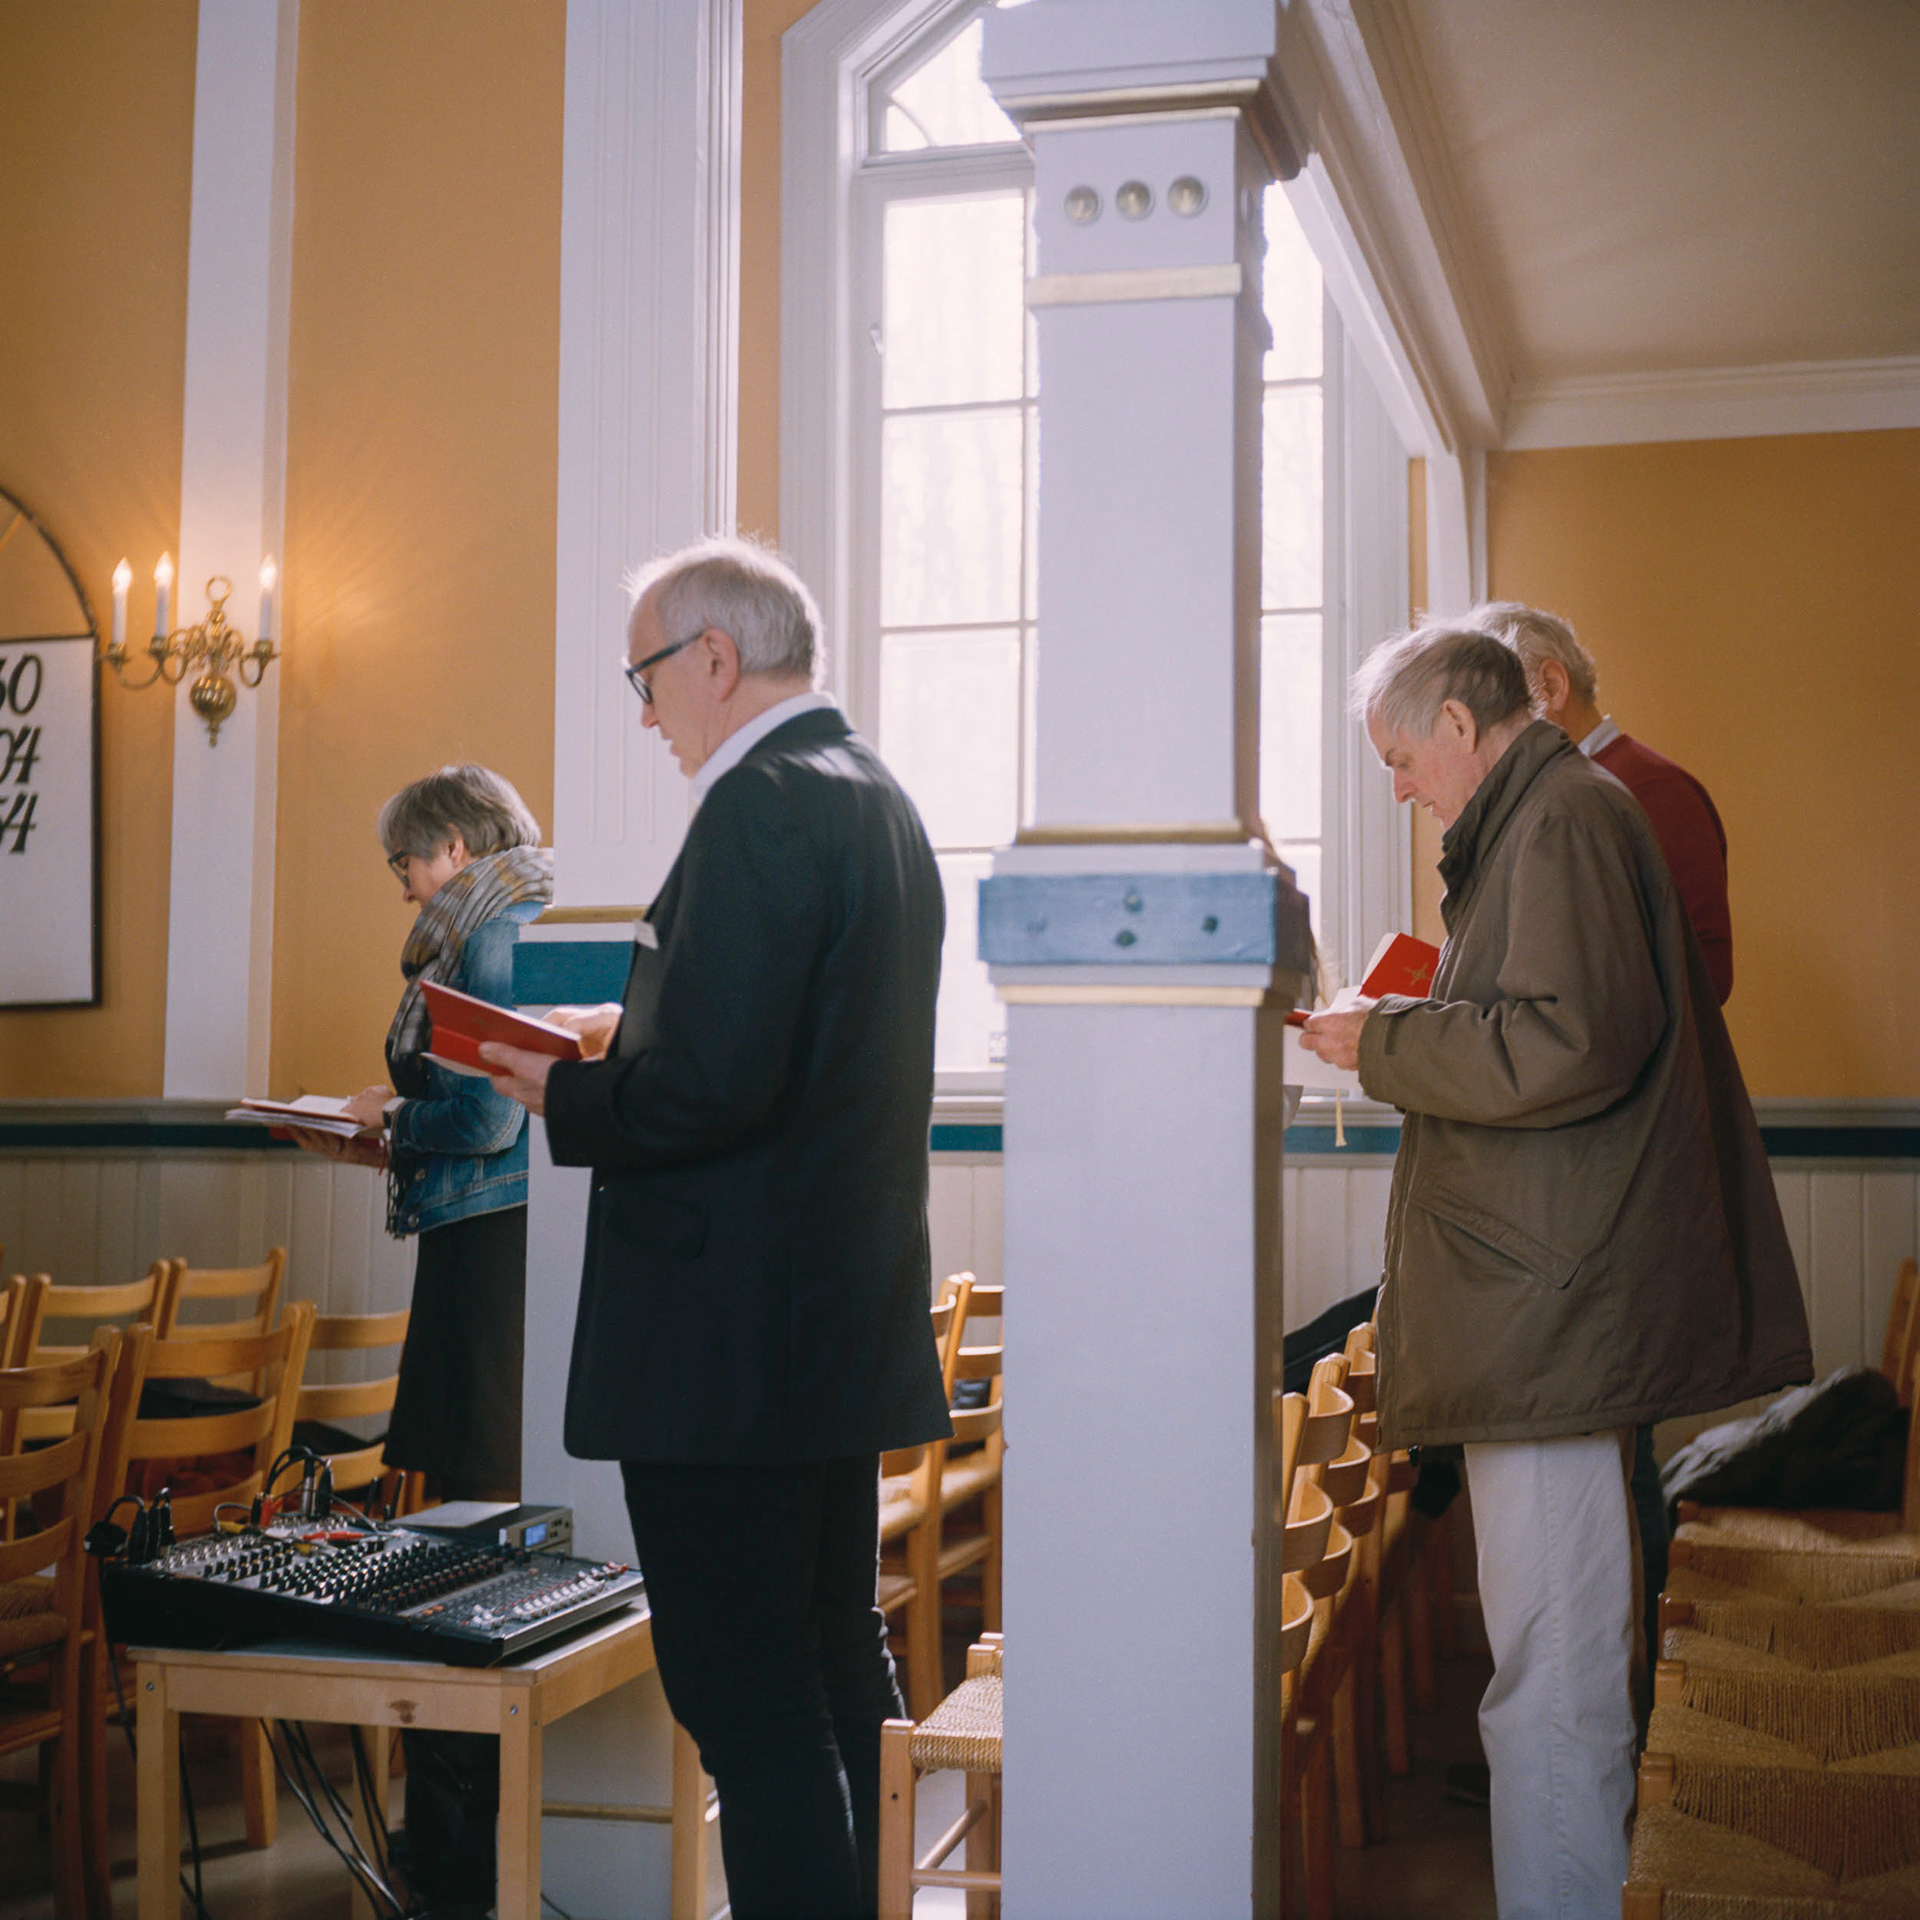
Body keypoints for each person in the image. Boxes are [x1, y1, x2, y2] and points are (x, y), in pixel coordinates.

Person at [1298, 625, 1810, 1919]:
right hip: (1550, 1306)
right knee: (1551, 1670)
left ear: (1464, 727)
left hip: (1555, 1315)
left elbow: (1573, 1042)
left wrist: (1385, 1042)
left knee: (1557, 1678)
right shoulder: (1554, 818)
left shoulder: (1566, 819)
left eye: (1405, 758)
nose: (1403, 788)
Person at [481, 536, 950, 1920]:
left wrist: (563, 1085)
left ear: (714, 659)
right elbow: (787, 1052)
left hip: (727, 1342)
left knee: (748, 1701)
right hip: (825, 1318)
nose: (645, 712)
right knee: (833, 1662)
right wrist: (631, 1036)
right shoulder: (874, 796)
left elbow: (714, 1090)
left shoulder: (758, 804)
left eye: (647, 678)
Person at [1471, 597, 1733, 1699]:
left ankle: (1618, 1712)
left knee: (1610, 1446)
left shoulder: (1626, 792)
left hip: (1615, 1160)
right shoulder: (1579, 794)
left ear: (1542, 689)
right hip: (1587, 1157)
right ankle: (1604, 1711)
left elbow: (1682, 986)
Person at [285, 762, 552, 1504]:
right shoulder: (521, 915)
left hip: (489, 1235)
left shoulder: (492, 935)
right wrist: (376, 1140)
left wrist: (391, 1114)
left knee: (482, 1476)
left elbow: (490, 1117)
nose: (402, 886)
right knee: (479, 1471)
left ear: (455, 848)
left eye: (403, 862)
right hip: (497, 1222)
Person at [1472, 600, 1732, 1005]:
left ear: (1551, 687)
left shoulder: (1656, 791)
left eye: (1494, 713)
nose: (1482, 739)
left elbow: (1704, 975)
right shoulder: (1549, 795)